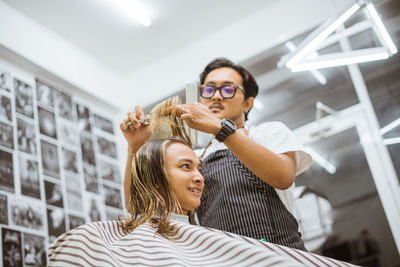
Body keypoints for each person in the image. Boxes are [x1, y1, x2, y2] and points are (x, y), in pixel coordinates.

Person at [121, 57, 312, 250]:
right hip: (222, 258)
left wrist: (220, 128)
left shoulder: (265, 133)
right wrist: (135, 148)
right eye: (209, 89)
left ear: (247, 103)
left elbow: (282, 176)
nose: (216, 96)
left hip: (279, 255)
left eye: (228, 89)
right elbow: (138, 206)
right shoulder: (195, 158)